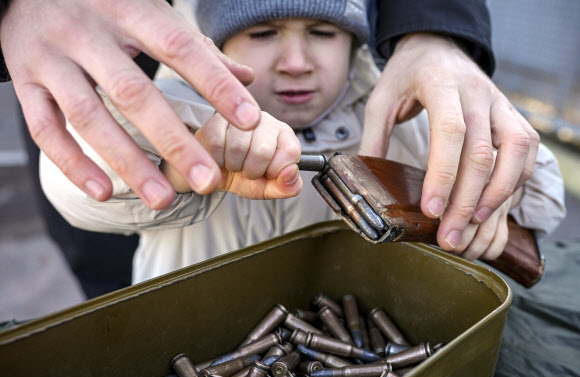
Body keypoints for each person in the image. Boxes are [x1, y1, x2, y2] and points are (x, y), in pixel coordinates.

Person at [40, 0, 565, 284]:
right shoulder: (168, 110)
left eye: (322, 31)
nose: (296, 61)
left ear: (355, 41)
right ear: (214, 48)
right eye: (264, 33)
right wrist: (178, 167)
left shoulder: (406, 113)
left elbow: (541, 191)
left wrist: (494, 189)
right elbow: (75, 185)